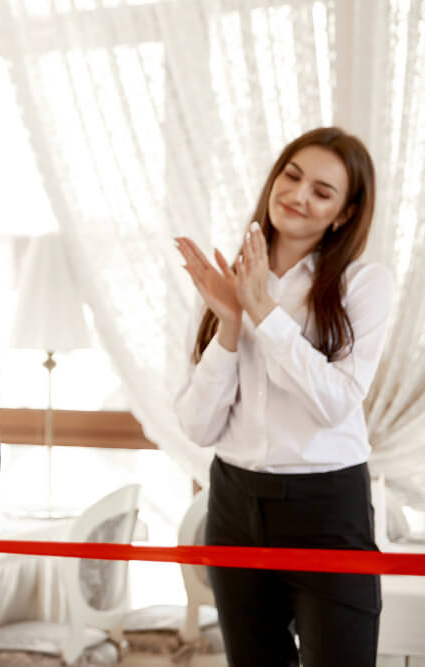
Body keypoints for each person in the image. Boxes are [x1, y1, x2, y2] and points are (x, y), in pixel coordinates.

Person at [174, 127, 393, 667]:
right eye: (291, 176)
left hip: (327, 508)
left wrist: (263, 313)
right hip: (233, 502)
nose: (297, 195)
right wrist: (229, 320)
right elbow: (199, 428)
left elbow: (337, 403)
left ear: (343, 213)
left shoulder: (363, 286)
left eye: (322, 191)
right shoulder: (224, 285)